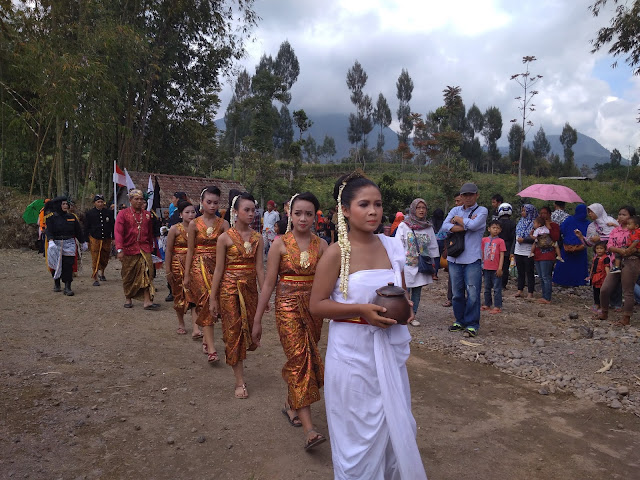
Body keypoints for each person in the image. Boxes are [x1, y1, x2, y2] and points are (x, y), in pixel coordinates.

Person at [308, 172, 427, 479]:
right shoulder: (336, 253)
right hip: (351, 357)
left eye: (378, 204)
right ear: (345, 210)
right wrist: (361, 310)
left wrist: (406, 308)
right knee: (357, 437)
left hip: (387, 353)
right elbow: (317, 305)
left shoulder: (391, 247)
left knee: (391, 425)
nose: (373, 211)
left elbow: (397, 292)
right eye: (364, 204)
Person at [253, 192, 329, 450]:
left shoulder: (324, 245)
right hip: (286, 308)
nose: (303, 218)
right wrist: (257, 319)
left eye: (309, 213)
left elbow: (330, 284)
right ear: (289, 214)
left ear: (315, 216)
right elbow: (268, 285)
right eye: (298, 213)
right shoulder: (279, 244)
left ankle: (290, 405)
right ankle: (310, 430)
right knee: (299, 360)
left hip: (314, 310)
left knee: (307, 357)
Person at [210, 193, 265, 399]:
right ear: (235, 212)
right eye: (246, 210)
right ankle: (239, 381)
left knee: (249, 331)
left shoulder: (258, 238)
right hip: (229, 290)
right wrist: (213, 297)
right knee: (233, 332)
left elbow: (260, 268)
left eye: (253, 210)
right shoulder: (224, 238)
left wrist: (263, 295)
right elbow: (218, 270)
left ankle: (240, 365)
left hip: (250, 289)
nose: (251, 214)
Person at [184, 186, 229, 361]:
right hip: (199, 266)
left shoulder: (224, 224)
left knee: (216, 301)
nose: (212, 206)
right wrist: (187, 274)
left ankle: (206, 337)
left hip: (219, 266)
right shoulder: (194, 224)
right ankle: (211, 349)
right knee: (204, 300)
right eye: (208, 202)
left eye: (215, 203)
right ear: (201, 202)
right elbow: (190, 251)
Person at [442, 183, 488, 337]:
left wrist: (458, 220)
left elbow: (475, 225)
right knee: (456, 293)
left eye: (471, 194)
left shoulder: (482, 211)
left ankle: (472, 323)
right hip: (454, 258)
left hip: (472, 259)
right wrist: (465, 223)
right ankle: (459, 320)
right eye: (465, 195)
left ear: (477, 195)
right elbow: (444, 227)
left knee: (473, 293)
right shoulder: (455, 210)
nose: (468, 197)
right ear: (460, 197)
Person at [395, 198, 440, 326]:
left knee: (417, 290)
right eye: (418, 207)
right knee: (405, 290)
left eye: (423, 208)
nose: (421, 210)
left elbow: (432, 246)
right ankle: (402, 313)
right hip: (407, 264)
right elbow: (397, 244)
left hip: (422, 264)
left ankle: (412, 315)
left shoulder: (428, 227)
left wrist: (433, 266)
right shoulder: (404, 226)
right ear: (413, 209)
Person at [114, 189, 159, 309]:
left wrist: (151, 246)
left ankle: (147, 301)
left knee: (147, 273)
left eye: (141, 199)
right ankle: (128, 298)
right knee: (128, 275)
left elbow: (149, 233)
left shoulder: (147, 215)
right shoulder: (123, 214)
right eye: (136, 199)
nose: (139, 201)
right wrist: (119, 249)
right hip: (129, 250)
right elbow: (118, 232)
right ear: (130, 200)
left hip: (145, 249)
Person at [597, 207, 639, 326]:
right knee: (605, 289)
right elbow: (609, 245)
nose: (620, 217)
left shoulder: (635, 231)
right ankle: (604, 312)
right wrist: (621, 251)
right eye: (619, 214)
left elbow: (636, 247)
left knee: (628, 291)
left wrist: (625, 251)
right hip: (616, 262)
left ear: (631, 217)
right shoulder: (615, 230)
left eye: (624, 215)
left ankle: (626, 318)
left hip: (631, 262)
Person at [165, 200, 201, 337]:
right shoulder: (174, 229)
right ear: (180, 214)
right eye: (187, 212)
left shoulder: (198, 228)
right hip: (177, 265)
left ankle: (196, 327)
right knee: (179, 296)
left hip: (194, 265)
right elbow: (168, 251)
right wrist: (167, 269)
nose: (191, 215)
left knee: (195, 296)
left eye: (193, 212)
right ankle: (181, 323)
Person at [46, 196, 84, 296]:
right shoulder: (51, 218)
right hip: (56, 243)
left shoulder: (72, 217)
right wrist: (50, 241)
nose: (66, 206)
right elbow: (48, 230)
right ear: (58, 205)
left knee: (68, 264)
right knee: (55, 264)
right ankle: (56, 282)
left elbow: (78, 231)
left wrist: (83, 242)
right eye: (63, 204)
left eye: (66, 204)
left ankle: (68, 286)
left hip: (69, 243)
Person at [552, 204, 590, 288]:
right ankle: (578, 283)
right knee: (578, 267)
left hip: (567, 247)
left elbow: (561, 230)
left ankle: (560, 282)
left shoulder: (569, 220)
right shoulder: (588, 223)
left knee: (564, 265)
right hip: (580, 247)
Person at [83, 194, 115, 286]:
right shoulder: (89, 213)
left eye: (101, 202)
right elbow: (86, 227)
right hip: (94, 238)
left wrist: (114, 238)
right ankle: (95, 276)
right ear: (94, 203)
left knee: (105, 256)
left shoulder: (109, 213)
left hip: (106, 238)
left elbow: (113, 226)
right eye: (98, 202)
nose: (100, 204)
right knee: (95, 257)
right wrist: (86, 240)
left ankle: (102, 272)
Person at [442, 192, 463, 307]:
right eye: (455, 201)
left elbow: (474, 225)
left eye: (458, 201)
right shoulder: (453, 213)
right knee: (452, 276)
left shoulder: (472, 213)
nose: (456, 203)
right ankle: (450, 298)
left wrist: (456, 226)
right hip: (453, 247)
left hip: (466, 250)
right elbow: (445, 228)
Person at [481, 220, 506, 313]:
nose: (495, 230)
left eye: (498, 228)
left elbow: (502, 255)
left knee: (497, 288)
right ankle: (487, 304)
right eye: (493, 228)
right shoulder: (484, 240)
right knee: (487, 287)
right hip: (486, 267)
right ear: (489, 229)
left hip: (496, 268)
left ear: (500, 230)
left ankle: (497, 306)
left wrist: (500, 268)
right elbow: (482, 252)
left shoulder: (501, 241)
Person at [514, 204, 538, 299]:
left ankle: (530, 292)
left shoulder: (534, 223)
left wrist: (524, 240)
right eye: (522, 210)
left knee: (529, 272)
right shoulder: (520, 222)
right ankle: (520, 290)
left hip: (528, 250)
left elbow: (535, 238)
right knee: (520, 271)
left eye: (524, 211)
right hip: (518, 249)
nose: (522, 212)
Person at [496, 202, 516, 289]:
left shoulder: (497, 223)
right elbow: (513, 237)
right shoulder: (513, 223)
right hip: (508, 247)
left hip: (497, 246)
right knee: (505, 266)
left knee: (496, 265)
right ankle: (503, 285)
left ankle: (496, 282)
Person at [588, 241, 610, 313]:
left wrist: (608, 278)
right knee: (595, 291)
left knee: (602, 292)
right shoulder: (595, 258)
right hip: (595, 276)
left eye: (601, 248)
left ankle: (602, 306)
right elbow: (592, 267)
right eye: (597, 248)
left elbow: (607, 268)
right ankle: (596, 304)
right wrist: (590, 276)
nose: (599, 250)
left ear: (605, 249)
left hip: (602, 277)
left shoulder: (605, 258)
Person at [431, 208, 445, 281]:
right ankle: (435, 274)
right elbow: (446, 234)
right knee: (437, 258)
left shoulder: (430, 222)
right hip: (440, 242)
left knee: (430, 257)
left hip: (431, 241)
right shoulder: (444, 223)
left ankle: (428, 272)